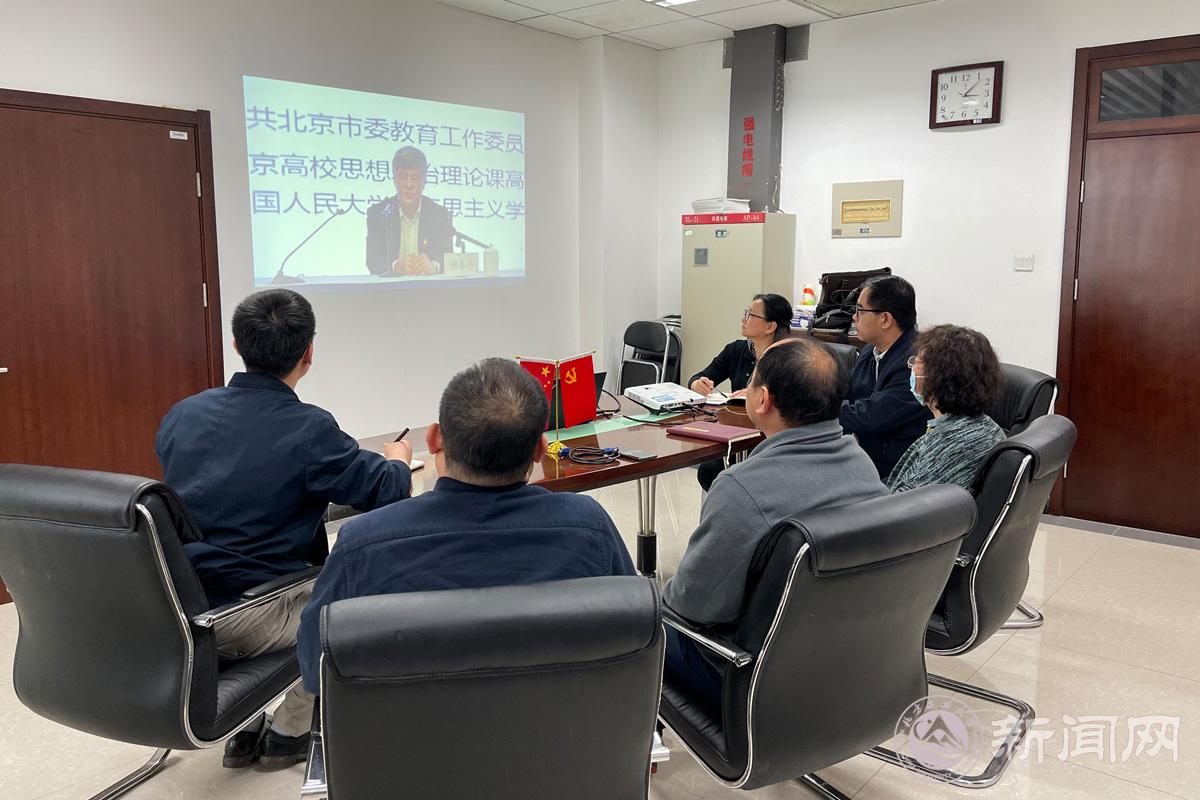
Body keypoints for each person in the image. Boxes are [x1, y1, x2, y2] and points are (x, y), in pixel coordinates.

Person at [155, 288, 413, 770]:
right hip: (251, 612)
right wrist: (398, 459)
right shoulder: (308, 429)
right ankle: (289, 732)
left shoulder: (182, 414)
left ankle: (245, 725)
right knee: (363, 581)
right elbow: (386, 491)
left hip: (175, 605)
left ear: (236, 344)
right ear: (308, 352)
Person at [296, 357, 636, 694]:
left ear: (434, 439)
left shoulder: (362, 545)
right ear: (540, 450)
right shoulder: (590, 528)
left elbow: (315, 669)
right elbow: (633, 639)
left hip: (409, 729)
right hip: (561, 725)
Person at [663, 338, 888, 709]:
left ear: (762, 399)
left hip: (751, 677)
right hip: (846, 664)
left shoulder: (742, 489)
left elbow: (692, 606)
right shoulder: (862, 465)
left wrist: (653, 596)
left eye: (750, 381)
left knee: (636, 617)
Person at [687, 292, 794, 491]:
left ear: (770, 326)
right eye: (746, 313)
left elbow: (793, 403)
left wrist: (758, 396)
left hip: (772, 441)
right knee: (709, 470)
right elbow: (699, 376)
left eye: (750, 315)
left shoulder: (789, 357)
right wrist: (697, 384)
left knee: (728, 475)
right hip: (737, 435)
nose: (743, 319)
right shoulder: (736, 350)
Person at [888, 325, 1006, 492]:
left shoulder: (955, 444)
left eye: (917, 362)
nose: (911, 368)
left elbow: (904, 502)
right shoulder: (985, 427)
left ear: (937, 377)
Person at [839, 275, 931, 480]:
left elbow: (871, 417)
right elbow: (846, 389)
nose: (854, 317)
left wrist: (819, 408)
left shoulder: (916, 362)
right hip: (865, 461)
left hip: (897, 475)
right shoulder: (870, 350)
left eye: (860, 311)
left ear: (886, 319)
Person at [365, 146, 454, 276]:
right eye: (402, 177)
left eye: (415, 178)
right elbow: (373, 261)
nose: (408, 185)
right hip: (391, 288)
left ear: (424, 182)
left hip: (429, 287)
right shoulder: (379, 214)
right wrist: (396, 266)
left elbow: (449, 258)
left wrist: (434, 266)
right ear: (394, 180)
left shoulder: (439, 215)